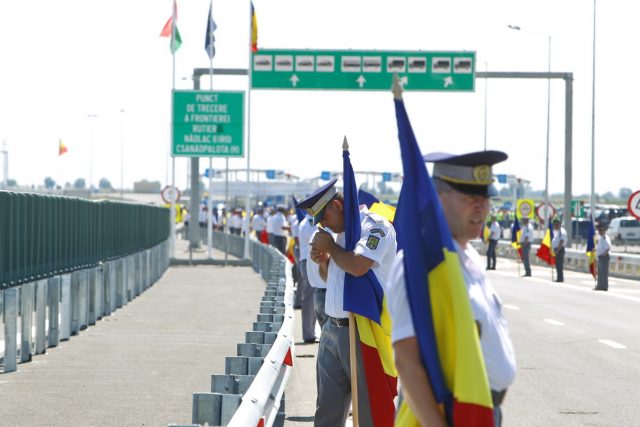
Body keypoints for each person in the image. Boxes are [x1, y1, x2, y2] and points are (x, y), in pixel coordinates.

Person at [386, 150, 516, 427]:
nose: (481, 207)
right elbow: (408, 362)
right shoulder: (418, 266)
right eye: (470, 198)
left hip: (480, 411)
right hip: (448, 414)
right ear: (437, 196)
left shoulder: (469, 258)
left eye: (485, 198)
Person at [297, 178, 397, 427]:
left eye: (323, 216)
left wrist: (330, 246)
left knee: (369, 414)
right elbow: (329, 278)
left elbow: (357, 266)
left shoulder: (374, 227)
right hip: (332, 328)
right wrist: (323, 260)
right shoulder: (339, 234)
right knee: (327, 413)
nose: (321, 224)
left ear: (338, 206)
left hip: (362, 331)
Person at [297, 213, 321, 342]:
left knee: (312, 297)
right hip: (309, 262)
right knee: (309, 297)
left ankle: (310, 332)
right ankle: (308, 334)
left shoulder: (308, 222)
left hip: (310, 261)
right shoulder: (310, 223)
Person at [595, 224, 611, 291]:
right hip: (600, 257)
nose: (599, 232)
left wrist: (603, 254)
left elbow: (608, 247)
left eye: (600, 230)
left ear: (603, 231)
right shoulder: (601, 238)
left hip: (604, 257)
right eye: (599, 230)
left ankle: (604, 287)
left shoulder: (605, 238)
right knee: (600, 272)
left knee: (603, 272)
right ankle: (599, 286)